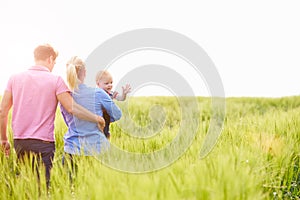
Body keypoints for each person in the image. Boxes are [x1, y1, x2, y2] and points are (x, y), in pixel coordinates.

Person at [0, 44, 105, 190]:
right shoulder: (55, 80)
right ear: (50, 58)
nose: (54, 65)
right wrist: (96, 118)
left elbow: (2, 111)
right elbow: (71, 108)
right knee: (43, 188)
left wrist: (4, 139)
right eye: (54, 62)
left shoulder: (14, 78)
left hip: (20, 142)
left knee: (26, 187)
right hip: (44, 144)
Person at [60, 56, 122, 179]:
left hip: (71, 149)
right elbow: (117, 114)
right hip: (97, 150)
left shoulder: (64, 97)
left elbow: (68, 121)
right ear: (85, 73)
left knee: (69, 192)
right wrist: (103, 117)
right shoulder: (98, 93)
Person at [95, 70, 131, 139]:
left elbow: (121, 98)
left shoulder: (111, 93)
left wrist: (124, 94)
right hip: (97, 117)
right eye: (106, 83)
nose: (110, 85)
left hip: (106, 117)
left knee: (105, 132)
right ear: (98, 84)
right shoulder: (96, 94)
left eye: (111, 82)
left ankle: (106, 143)